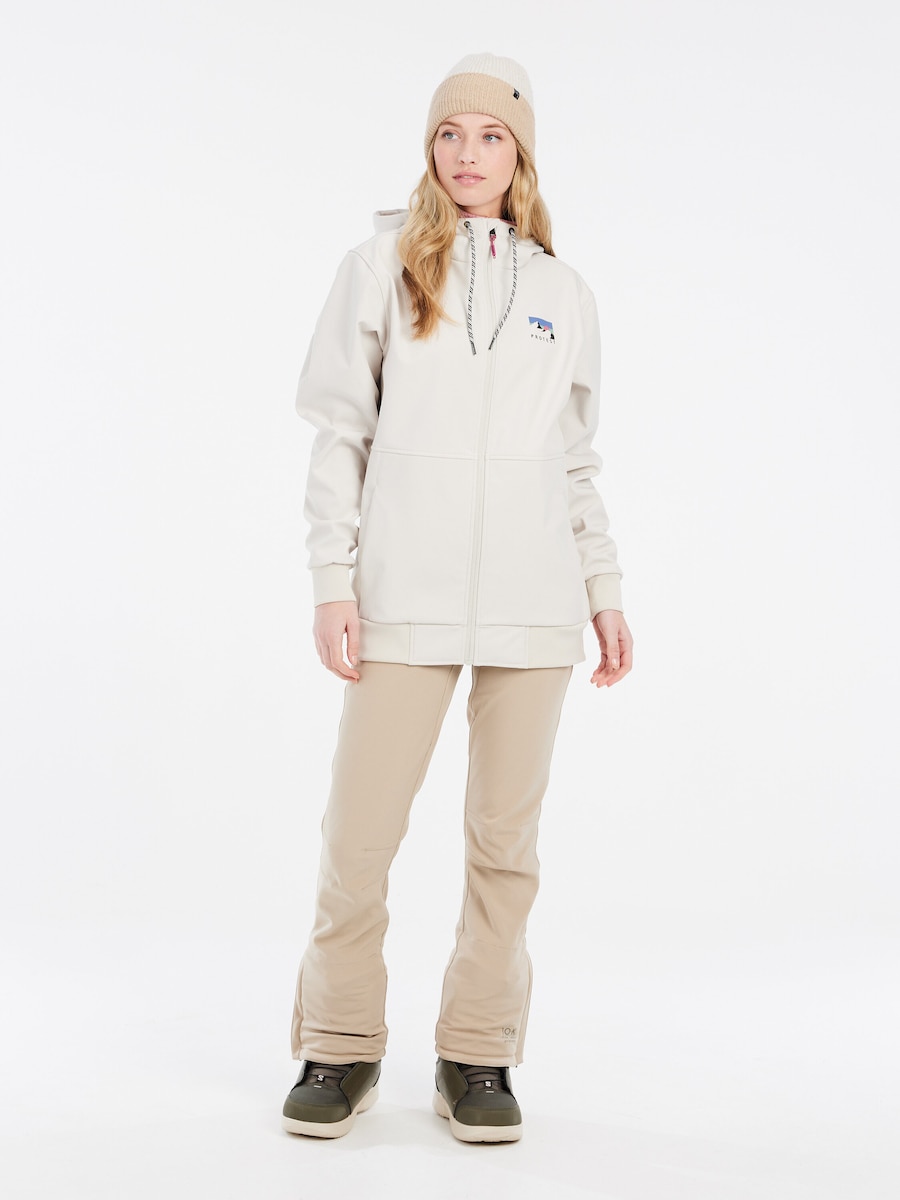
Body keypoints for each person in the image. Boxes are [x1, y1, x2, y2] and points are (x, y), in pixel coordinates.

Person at [282, 53, 633, 1144]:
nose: (467, 153)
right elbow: (340, 433)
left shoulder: (563, 293)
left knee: (504, 847)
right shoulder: (382, 266)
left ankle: (478, 1054)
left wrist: (604, 589)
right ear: (429, 150)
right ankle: (340, 1045)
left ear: (520, 156)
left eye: (490, 136)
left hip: (536, 603)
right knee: (359, 837)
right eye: (449, 134)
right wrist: (333, 581)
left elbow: (575, 461)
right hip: (402, 595)